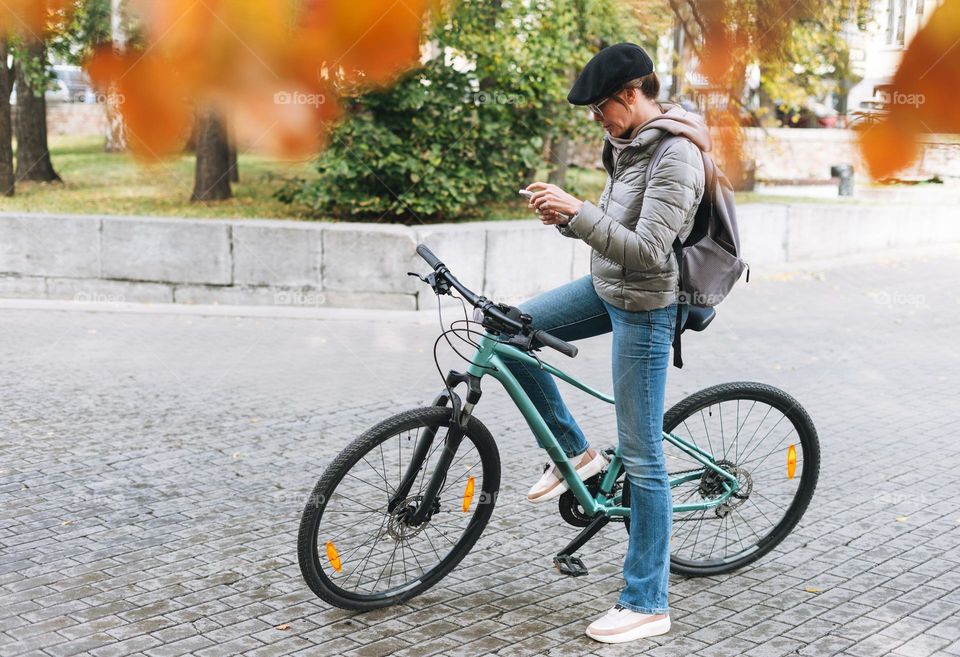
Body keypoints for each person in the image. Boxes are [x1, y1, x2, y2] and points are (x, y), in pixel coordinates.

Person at [501, 42, 709, 644]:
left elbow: (648, 251)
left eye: (600, 110)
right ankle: (578, 455)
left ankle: (647, 601)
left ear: (629, 95)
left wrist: (577, 212)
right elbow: (616, 233)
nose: (598, 121)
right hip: (606, 287)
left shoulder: (677, 157)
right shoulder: (627, 144)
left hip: (646, 307)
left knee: (642, 456)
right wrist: (567, 216)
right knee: (509, 328)